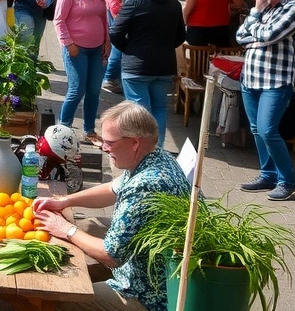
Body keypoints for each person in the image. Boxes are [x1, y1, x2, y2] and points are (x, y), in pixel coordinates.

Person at [33, 102, 189, 311]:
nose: (103, 148)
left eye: (109, 143)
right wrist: (65, 201)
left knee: (57, 298)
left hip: (147, 295)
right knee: (88, 226)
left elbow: (112, 256)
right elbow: (111, 189)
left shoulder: (145, 185)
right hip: (149, 271)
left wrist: (66, 229)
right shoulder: (156, 157)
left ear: (134, 142)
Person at [234, 0, 295, 201]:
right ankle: (268, 174)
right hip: (251, 78)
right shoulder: (262, 7)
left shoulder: (294, 8)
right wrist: (255, 13)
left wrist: (257, 34)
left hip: (277, 80)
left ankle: (288, 180)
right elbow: (240, 36)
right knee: (256, 129)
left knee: (267, 129)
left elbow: (269, 35)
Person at [109, 0, 185, 148]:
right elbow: (181, 36)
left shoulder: (135, 2)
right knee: (159, 108)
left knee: (139, 111)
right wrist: (166, 46)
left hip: (137, 67)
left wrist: (129, 49)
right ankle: (157, 149)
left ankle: (142, 151)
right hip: (164, 66)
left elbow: (115, 32)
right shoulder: (174, 4)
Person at [54, 0, 110, 146]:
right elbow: (59, 19)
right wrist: (68, 43)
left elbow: (103, 18)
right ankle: (63, 128)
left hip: (97, 48)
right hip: (77, 48)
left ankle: (89, 130)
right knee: (77, 89)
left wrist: (106, 41)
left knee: (94, 90)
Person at [101, 0, 137, 95]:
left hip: (125, 22)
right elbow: (115, 7)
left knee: (119, 52)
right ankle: (109, 78)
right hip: (118, 23)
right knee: (117, 52)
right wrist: (125, 24)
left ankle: (111, 78)